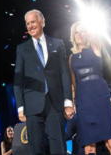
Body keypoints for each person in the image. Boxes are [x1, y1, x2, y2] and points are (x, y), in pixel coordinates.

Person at [69, 0, 111, 155]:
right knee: (89, 146)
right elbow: (74, 84)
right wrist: (73, 102)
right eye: (76, 32)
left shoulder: (96, 47)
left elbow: (91, 24)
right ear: (73, 36)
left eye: (82, 31)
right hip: (83, 101)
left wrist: (79, 1)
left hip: (99, 96)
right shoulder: (72, 58)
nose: (79, 34)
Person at [13, 9, 74, 154]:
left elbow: (65, 74)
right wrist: (20, 107)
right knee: (35, 146)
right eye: (27, 24)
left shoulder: (58, 44)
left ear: (42, 22)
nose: (30, 26)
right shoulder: (22, 49)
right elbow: (17, 81)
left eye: (33, 22)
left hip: (55, 101)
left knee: (58, 144)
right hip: (32, 103)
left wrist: (68, 102)